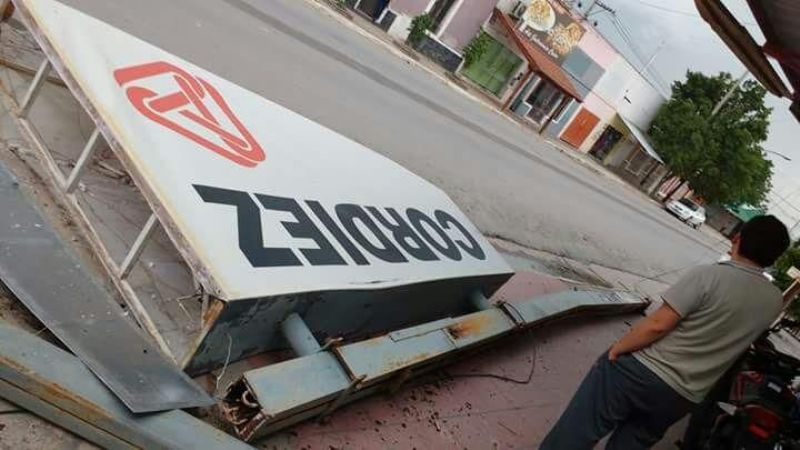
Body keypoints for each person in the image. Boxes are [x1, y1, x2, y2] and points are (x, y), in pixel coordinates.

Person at [539, 215, 791, 450]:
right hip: (682, 396)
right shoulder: (773, 301)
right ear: (774, 258)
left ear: (738, 238)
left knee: (576, 433)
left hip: (640, 372)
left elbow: (657, 325)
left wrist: (616, 350)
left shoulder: (710, 275)